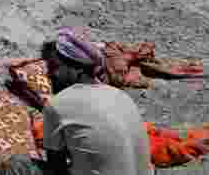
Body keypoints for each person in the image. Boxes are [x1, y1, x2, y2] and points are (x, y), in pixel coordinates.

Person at [40, 27, 153, 175]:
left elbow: (56, 168)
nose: (49, 74)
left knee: (16, 163)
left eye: (54, 67)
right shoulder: (120, 96)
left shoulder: (57, 105)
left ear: (76, 68)